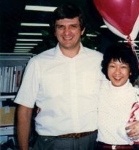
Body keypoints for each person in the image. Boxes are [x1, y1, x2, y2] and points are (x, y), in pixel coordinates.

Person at [14, 3, 103, 150]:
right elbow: (24, 110)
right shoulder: (38, 63)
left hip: (93, 142)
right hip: (52, 143)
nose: (66, 32)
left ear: (83, 30)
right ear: (54, 31)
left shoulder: (99, 60)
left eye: (73, 26)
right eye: (60, 26)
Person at [96, 44, 139, 150]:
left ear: (131, 71)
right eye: (112, 66)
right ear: (106, 68)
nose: (117, 72)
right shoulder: (98, 92)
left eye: (123, 66)